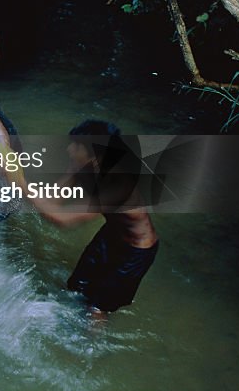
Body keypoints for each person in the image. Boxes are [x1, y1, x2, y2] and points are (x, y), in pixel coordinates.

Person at [8, 120, 159, 316]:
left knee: (98, 308)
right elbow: (53, 200)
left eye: (76, 146)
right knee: (77, 286)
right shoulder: (81, 164)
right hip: (111, 234)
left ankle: (91, 344)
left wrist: (20, 184)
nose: (69, 149)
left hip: (135, 250)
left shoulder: (117, 184)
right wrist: (17, 178)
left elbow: (63, 219)